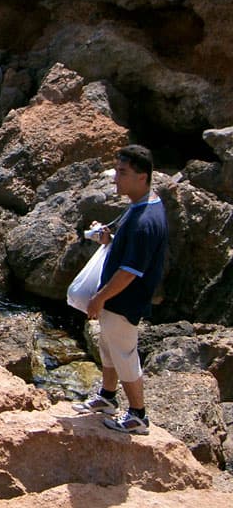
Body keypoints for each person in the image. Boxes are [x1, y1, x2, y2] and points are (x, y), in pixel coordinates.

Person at [72, 144, 168, 434]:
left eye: (123, 173)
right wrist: (109, 239)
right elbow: (129, 253)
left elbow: (129, 272)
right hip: (118, 299)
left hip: (125, 300)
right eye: (117, 172)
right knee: (109, 348)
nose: (116, 179)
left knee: (125, 355)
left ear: (143, 176)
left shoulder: (144, 221)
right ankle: (107, 397)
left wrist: (99, 298)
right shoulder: (142, 205)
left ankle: (138, 415)